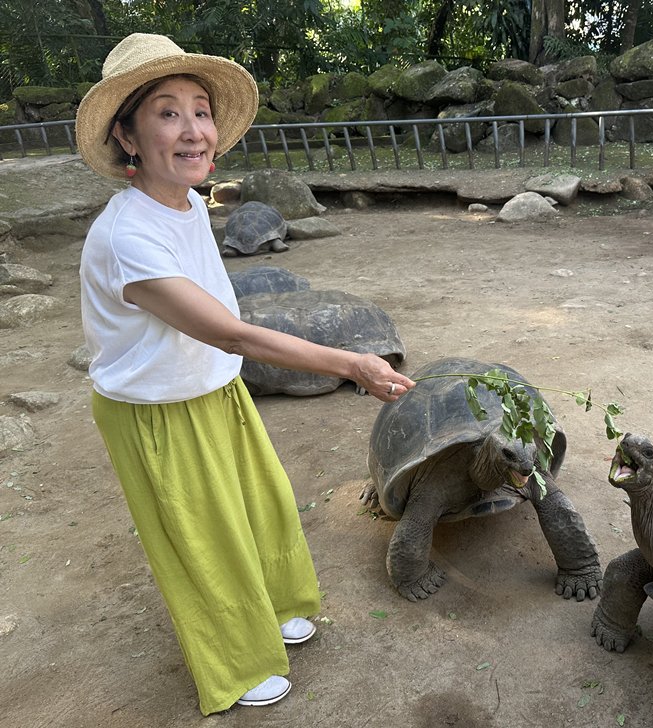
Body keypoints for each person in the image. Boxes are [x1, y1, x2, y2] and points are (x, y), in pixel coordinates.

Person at [75, 33, 415, 715]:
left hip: (214, 386)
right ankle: (233, 662)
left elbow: (217, 323)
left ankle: (278, 608)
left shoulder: (190, 204)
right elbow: (227, 327)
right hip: (157, 411)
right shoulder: (126, 237)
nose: (194, 129)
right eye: (168, 113)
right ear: (128, 136)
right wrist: (349, 362)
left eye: (201, 110)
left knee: (259, 510)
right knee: (203, 539)